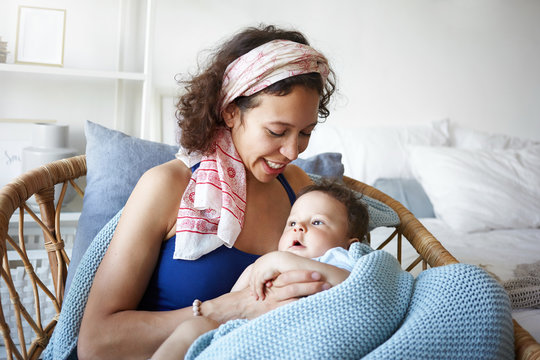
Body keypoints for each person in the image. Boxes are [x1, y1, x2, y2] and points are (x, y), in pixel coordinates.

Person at [77, 24, 337, 359]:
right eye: (277, 131)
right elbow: (96, 343)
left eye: (305, 132)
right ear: (230, 111)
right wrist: (233, 308)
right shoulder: (168, 187)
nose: (292, 152)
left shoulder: (299, 188)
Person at [151, 181, 369, 360]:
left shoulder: (339, 258)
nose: (299, 227)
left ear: (349, 243)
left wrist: (278, 260)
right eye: (292, 222)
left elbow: (356, 287)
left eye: (317, 222)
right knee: (193, 328)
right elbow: (232, 305)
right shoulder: (260, 267)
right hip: (245, 337)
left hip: (299, 342)